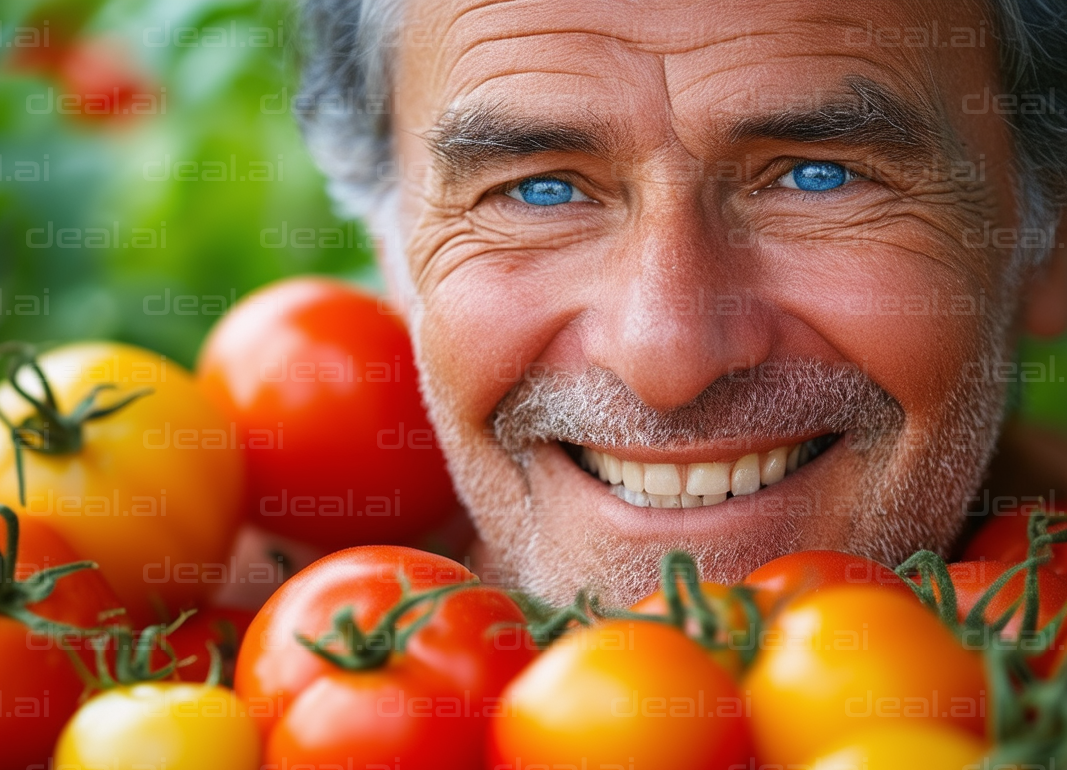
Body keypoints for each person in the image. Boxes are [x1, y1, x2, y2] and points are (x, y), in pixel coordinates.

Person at [294, 0, 1067, 604]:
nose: (668, 359)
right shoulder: (221, 660)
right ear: (392, 251)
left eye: (817, 176)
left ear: (1050, 239)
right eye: (539, 191)